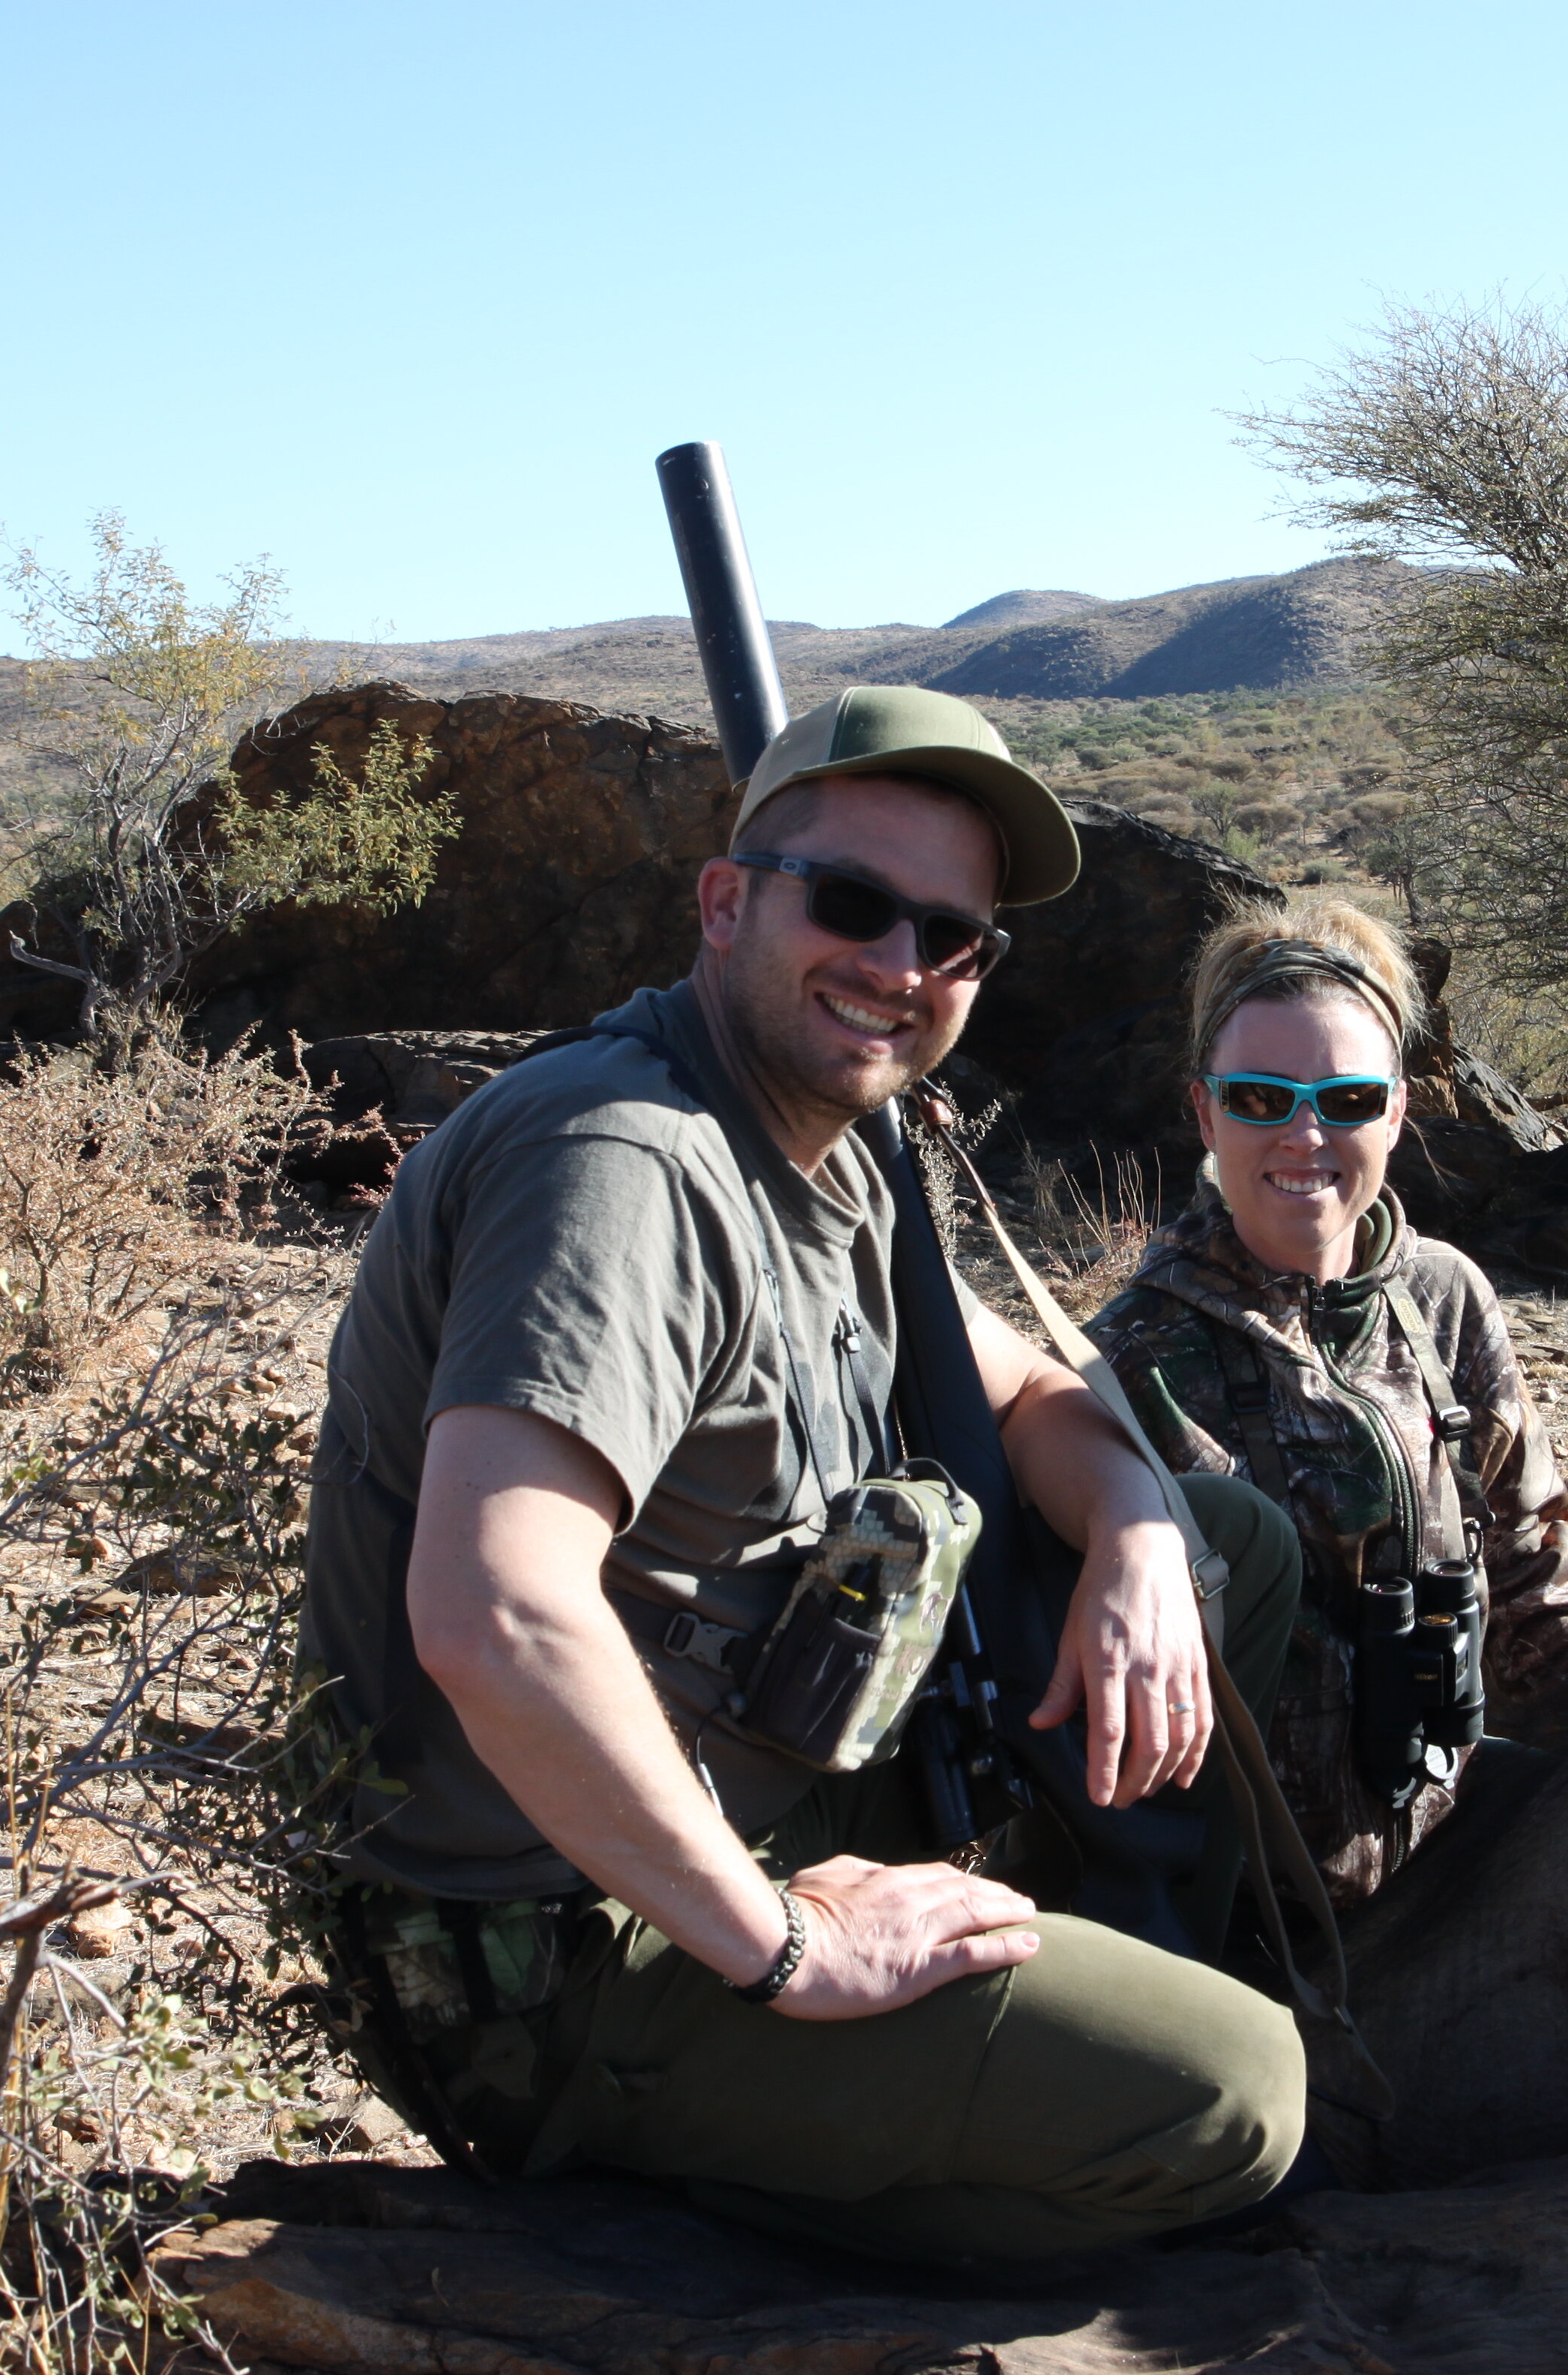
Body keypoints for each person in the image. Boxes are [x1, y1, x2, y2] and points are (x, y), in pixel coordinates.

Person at [297, 685, 1309, 2260]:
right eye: (851, 904)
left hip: (764, 1770)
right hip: (569, 1945)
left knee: (1225, 1532)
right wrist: (788, 1954)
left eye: (954, 939)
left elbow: (1035, 1385)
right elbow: (496, 1612)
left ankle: (1041, 1992)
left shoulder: (819, 1147)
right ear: (724, 904)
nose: (901, 968)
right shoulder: (626, 1163)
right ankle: (685, 2219)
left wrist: (1137, 1539)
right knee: (1234, 2101)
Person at [1088, 896, 1568, 1903]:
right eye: (1259, 1098)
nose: (1303, 1135)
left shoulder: (1446, 1299)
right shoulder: (1126, 1359)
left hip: (1451, 1862)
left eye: (1345, 1101)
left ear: (1395, 1112)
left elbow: (1533, 1593)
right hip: (1245, 1916)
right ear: (1204, 1110)